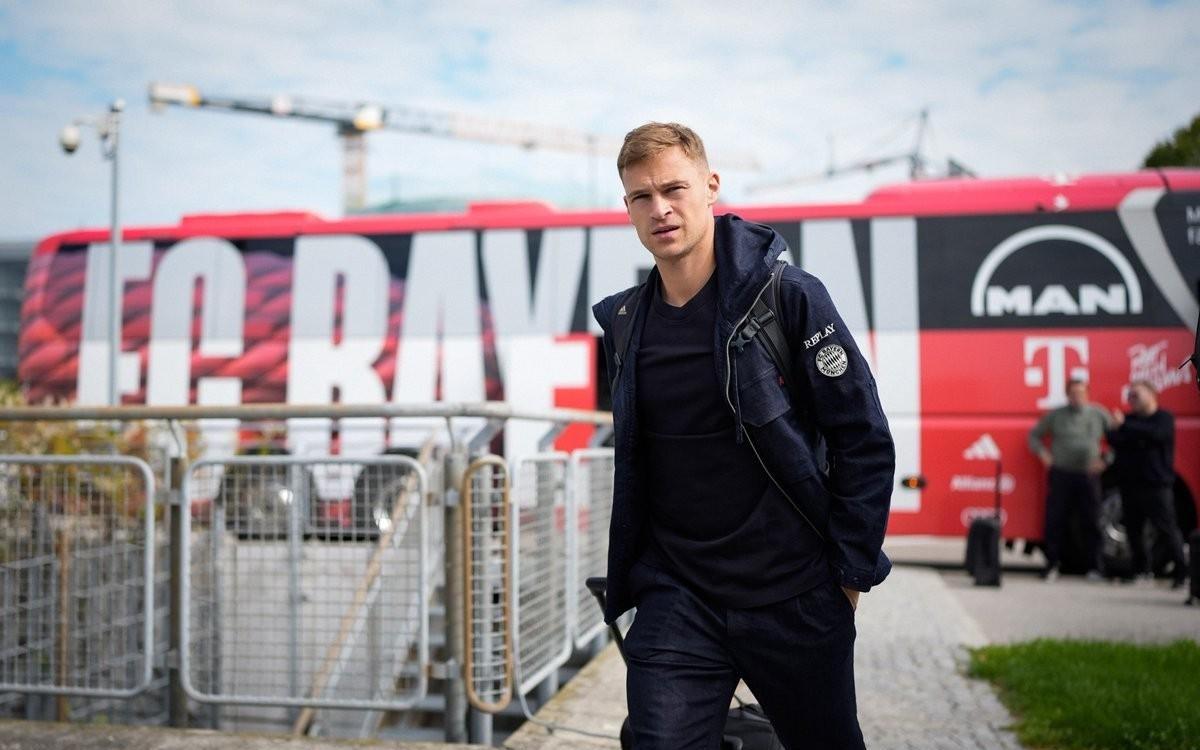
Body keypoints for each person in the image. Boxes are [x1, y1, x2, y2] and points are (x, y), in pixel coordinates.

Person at [592, 122, 894, 750]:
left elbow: (862, 436)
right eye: (642, 196)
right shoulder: (624, 323)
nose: (659, 208)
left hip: (795, 594)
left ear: (711, 187)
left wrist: (848, 577)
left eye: (674, 189)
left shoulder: (788, 297)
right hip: (679, 596)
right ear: (627, 207)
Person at [1028, 378, 1112, 581]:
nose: (1077, 397)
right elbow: (1034, 436)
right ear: (1067, 395)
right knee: (1055, 520)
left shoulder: (1098, 414)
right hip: (1062, 473)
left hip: (1088, 475)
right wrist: (1044, 455)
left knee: (1092, 520)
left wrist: (1106, 460)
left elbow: (1119, 439)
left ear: (1087, 394)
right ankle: (1052, 564)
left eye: (1081, 393)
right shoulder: (1056, 415)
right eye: (1073, 394)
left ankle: (1095, 567)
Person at [1108, 380, 1188, 588]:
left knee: (1166, 528)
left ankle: (1182, 572)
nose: (1131, 399)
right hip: (1130, 484)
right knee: (1134, 530)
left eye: (1136, 395)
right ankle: (1141, 571)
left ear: (1152, 395)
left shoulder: (1163, 418)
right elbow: (1114, 438)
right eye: (1130, 396)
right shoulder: (1129, 419)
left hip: (1156, 485)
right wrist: (1124, 429)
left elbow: (1155, 434)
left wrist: (1126, 428)